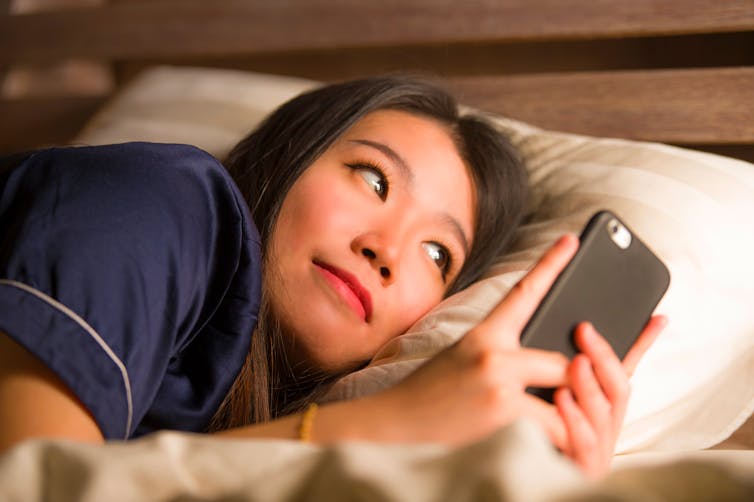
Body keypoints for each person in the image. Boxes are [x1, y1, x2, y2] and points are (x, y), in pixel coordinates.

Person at [0, 76, 665, 478]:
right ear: (285, 161)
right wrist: (394, 422)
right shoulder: (160, 201)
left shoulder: (238, 399)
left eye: (438, 256)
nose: (389, 251)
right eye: (372, 179)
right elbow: (32, 482)